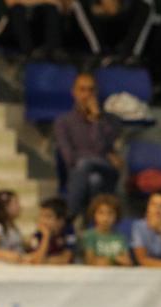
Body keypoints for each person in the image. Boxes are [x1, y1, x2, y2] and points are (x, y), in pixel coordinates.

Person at [54, 73, 123, 224]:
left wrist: (96, 121)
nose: (87, 95)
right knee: (93, 180)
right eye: (82, 90)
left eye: (91, 90)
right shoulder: (63, 122)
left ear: (96, 93)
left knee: (86, 165)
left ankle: (67, 218)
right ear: (74, 92)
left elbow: (99, 149)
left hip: (107, 173)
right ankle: (90, 226)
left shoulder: (110, 121)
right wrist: (102, 155)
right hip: (79, 174)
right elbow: (69, 159)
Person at [0, 189, 35, 264]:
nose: (19, 207)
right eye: (16, 203)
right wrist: (12, 255)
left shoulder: (12, 227)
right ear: (5, 207)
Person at [81, 194, 132, 266]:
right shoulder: (89, 235)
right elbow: (91, 262)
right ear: (94, 215)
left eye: (110, 213)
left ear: (116, 216)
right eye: (101, 213)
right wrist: (114, 258)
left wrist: (105, 260)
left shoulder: (121, 237)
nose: (105, 218)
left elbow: (127, 262)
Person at [27, 197, 76, 265]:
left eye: (48, 216)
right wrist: (46, 237)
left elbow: (66, 259)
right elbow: (36, 260)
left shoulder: (68, 231)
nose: (43, 220)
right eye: (41, 216)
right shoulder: (37, 234)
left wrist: (44, 260)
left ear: (61, 221)